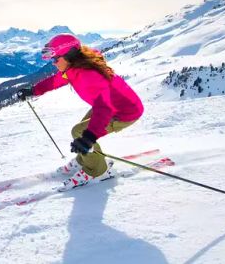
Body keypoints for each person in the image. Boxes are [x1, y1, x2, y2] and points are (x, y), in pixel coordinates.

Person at [16, 33, 144, 190]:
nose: (53, 63)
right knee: (83, 132)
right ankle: (85, 159)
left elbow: (104, 108)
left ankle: (98, 170)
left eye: (56, 58)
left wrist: (89, 138)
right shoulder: (74, 68)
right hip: (109, 105)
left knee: (80, 132)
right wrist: (33, 90)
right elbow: (55, 81)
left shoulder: (89, 75)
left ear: (69, 55)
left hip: (124, 112)